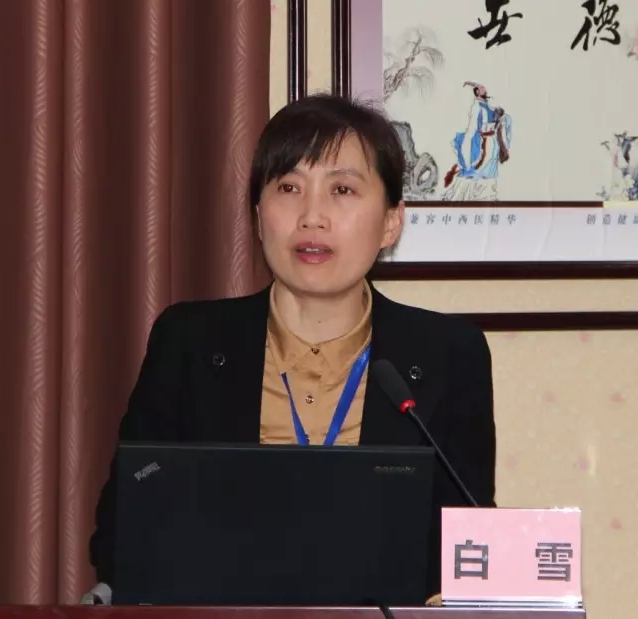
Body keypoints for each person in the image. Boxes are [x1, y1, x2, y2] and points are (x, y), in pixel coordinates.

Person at [82, 93, 496, 605]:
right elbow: (121, 531)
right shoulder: (189, 342)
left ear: (391, 221)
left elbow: (469, 542)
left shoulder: (449, 355)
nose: (312, 216)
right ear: (259, 217)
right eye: (289, 188)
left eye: (342, 189)